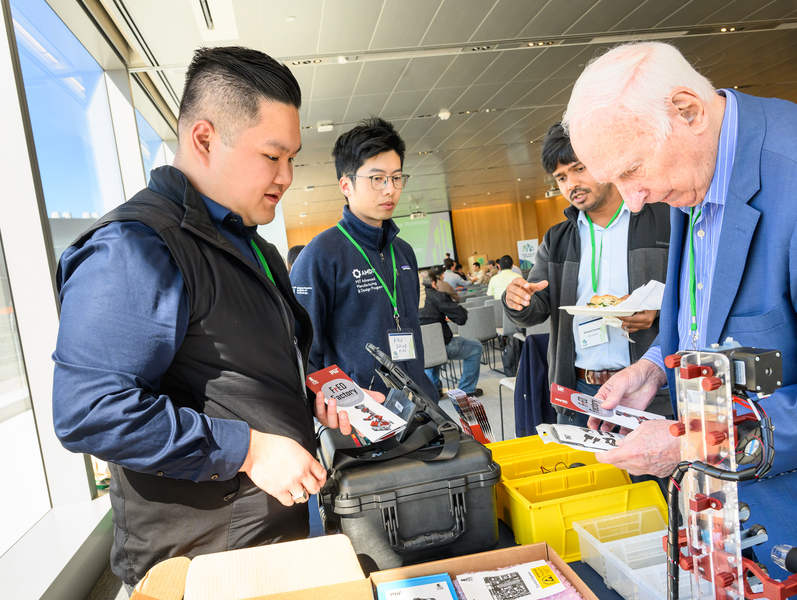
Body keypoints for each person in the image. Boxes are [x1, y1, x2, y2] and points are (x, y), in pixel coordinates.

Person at [563, 41, 797, 586]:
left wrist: (689, 443)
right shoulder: (692, 166)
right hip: (731, 519)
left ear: (688, 110)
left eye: (632, 171)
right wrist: (654, 364)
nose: (633, 200)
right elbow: (702, 306)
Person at [52, 47, 354, 588]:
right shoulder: (138, 248)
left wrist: (319, 396)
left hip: (267, 540)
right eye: (272, 155)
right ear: (205, 139)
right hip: (200, 566)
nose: (286, 176)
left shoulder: (246, 242)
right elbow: (90, 410)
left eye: (293, 158)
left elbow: (233, 374)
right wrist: (250, 449)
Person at [503, 122, 670, 427]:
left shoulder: (662, 219)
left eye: (579, 169)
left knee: (649, 475)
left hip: (648, 389)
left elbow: (698, 292)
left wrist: (661, 311)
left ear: (606, 163)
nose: (572, 184)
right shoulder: (557, 239)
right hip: (581, 391)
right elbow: (536, 306)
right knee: (587, 473)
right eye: (562, 177)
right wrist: (518, 300)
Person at [292, 118, 437, 400]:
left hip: (416, 408)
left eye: (396, 177)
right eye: (377, 178)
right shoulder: (321, 255)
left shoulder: (403, 252)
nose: (390, 189)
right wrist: (340, 401)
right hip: (361, 415)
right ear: (346, 185)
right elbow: (301, 351)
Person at [419, 270, 484, 398]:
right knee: (476, 347)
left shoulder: (406, 300)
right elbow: (461, 318)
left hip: (418, 351)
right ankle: (467, 389)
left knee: (427, 347)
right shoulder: (437, 295)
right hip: (443, 347)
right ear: (434, 283)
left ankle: (434, 389)